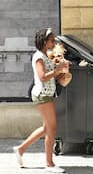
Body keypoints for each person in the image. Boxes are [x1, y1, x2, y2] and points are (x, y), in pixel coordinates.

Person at [13, 28, 69, 173]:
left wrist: (62, 71)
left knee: (46, 128)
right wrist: (58, 69)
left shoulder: (45, 55)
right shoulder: (39, 57)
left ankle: (20, 149)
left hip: (46, 94)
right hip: (42, 95)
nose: (54, 42)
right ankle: (49, 164)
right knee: (52, 128)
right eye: (52, 40)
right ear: (45, 42)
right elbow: (42, 76)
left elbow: (50, 76)